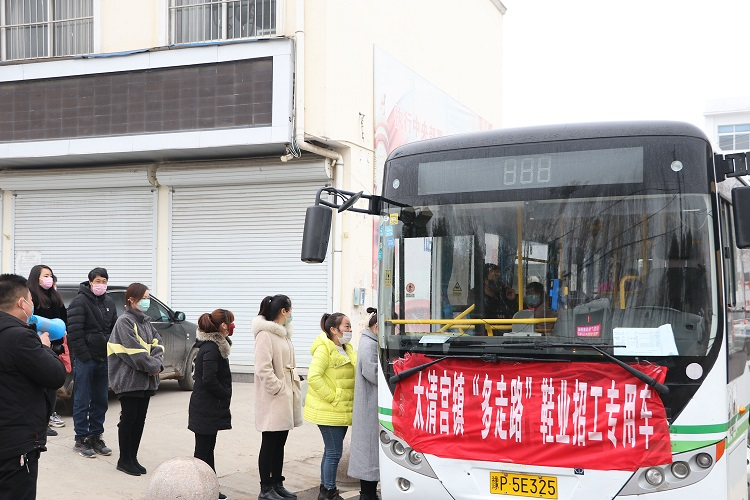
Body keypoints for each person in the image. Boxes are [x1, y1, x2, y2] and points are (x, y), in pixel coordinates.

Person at [0, 274, 66, 499]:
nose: (32, 305)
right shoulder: (20, 337)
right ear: (21, 303)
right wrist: (44, 347)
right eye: (30, 300)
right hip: (14, 443)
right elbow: (55, 376)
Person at [107, 283, 163, 476]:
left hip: (145, 380)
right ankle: (124, 460)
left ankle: (133, 457)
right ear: (131, 300)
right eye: (144, 298)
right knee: (129, 420)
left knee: (139, 420)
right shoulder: (124, 322)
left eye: (148, 297)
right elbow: (134, 352)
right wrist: (153, 366)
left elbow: (158, 345)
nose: (147, 301)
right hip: (129, 380)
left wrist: (156, 364)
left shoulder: (146, 322)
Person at [253, 295, 302, 500]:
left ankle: (277, 483)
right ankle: (265, 488)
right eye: (290, 310)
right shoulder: (265, 335)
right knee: (269, 442)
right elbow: (263, 368)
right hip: (274, 398)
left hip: (285, 396)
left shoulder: (283, 334)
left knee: (280, 442)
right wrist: (278, 388)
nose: (291, 314)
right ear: (283, 311)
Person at [304, 312, 357, 500]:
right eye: (346, 326)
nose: (350, 330)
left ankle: (325, 489)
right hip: (329, 410)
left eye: (350, 326)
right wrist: (334, 397)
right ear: (334, 329)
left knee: (331, 452)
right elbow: (314, 377)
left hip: (341, 409)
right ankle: (329, 491)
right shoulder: (324, 349)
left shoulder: (346, 348)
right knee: (334, 453)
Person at [67, 267, 117, 458]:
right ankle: (81, 438)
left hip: (104, 358)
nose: (101, 285)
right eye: (97, 281)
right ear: (90, 282)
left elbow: (113, 328)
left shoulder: (109, 302)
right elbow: (74, 332)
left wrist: (110, 351)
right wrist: (85, 355)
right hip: (86, 360)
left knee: (100, 400)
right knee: (82, 400)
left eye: (104, 281)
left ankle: (96, 436)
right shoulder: (79, 302)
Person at [189, 309, 234, 500]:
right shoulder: (211, 348)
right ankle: (199, 490)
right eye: (230, 322)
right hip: (205, 407)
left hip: (208, 407)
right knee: (202, 451)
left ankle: (210, 488)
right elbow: (209, 379)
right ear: (223, 326)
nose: (232, 326)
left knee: (208, 449)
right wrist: (224, 394)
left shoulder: (214, 346)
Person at [27, 264, 68, 436]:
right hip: (37, 346)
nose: (49, 279)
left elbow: (64, 318)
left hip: (54, 347)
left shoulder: (55, 296)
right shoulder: (31, 297)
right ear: (36, 278)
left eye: (50, 275)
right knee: (39, 386)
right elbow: (28, 321)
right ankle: (39, 422)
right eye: (45, 275)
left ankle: (48, 417)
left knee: (52, 386)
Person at [348, 307, 380, 500]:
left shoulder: (371, 341)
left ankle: (369, 493)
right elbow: (373, 373)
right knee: (368, 452)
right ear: (377, 326)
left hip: (370, 403)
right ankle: (367, 494)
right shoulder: (369, 344)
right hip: (369, 404)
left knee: (371, 451)